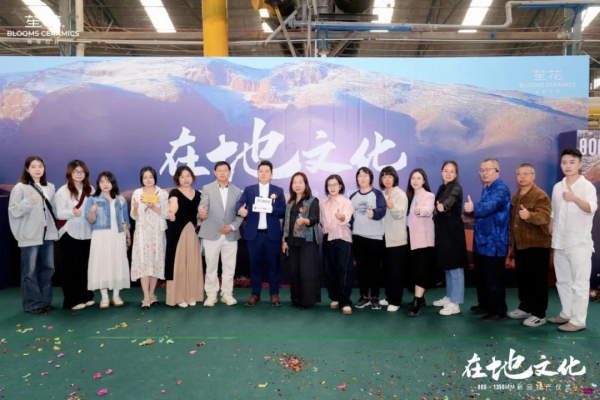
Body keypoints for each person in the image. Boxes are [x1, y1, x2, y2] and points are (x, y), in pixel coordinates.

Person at [549, 149, 598, 332]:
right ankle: (566, 313)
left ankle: (578, 321)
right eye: (564, 162)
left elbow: (591, 208)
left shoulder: (587, 187)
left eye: (571, 162)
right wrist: (551, 227)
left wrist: (575, 198)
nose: (567, 166)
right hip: (559, 241)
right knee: (563, 281)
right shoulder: (557, 187)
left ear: (579, 164)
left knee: (580, 283)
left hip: (578, 242)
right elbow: (554, 211)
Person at [8, 156, 59, 314]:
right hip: (29, 235)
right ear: (27, 169)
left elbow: (54, 210)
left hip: (47, 234)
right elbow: (14, 211)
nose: (37, 169)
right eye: (33, 166)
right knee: (29, 271)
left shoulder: (50, 187)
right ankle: (32, 304)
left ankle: (45, 301)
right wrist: (28, 202)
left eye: (40, 166)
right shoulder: (20, 188)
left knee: (48, 269)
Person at [464, 158, 511, 322]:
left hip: (494, 243)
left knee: (493, 278)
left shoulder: (501, 189)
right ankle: (484, 304)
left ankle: (498, 311)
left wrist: (474, 207)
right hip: (482, 241)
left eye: (488, 169)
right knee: (482, 276)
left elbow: (490, 206)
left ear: (497, 171)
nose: (484, 173)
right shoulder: (487, 187)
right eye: (482, 170)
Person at [235, 160, 286, 307]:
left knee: (273, 266)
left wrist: (272, 209)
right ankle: (255, 294)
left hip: (272, 236)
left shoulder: (278, 190)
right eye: (261, 171)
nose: (263, 174)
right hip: (254, 236)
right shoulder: (249, 190)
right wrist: (240, 210)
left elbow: (284, 210)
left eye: (266, 171)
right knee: (255, 266)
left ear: (271, 174)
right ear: (257, 173)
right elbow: (239, 204)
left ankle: (274, 294)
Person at [507, 163, 552, 327]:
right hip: (520, 245)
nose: (522, 177)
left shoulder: (541, 196)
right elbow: (513, 222)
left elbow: (545, 218)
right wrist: (511, 244)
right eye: (519, 174)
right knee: (523, 279)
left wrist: (529, 215)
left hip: (537, 246)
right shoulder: (516, 196)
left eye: (526, 173)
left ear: (533, 176)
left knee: (538, 281)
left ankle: (539, 314)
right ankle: (525, 307)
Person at [199, 161, 243, 307]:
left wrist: (232, 226)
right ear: (214, 172)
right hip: (211, 232)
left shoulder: (237, 191)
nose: (222, 173)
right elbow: (202, 205)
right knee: (211, 266)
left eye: (225, 170)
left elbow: (240, 213)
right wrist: (201, 212)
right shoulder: (207, 188)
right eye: (219, 170)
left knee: (229, 266)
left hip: (230, 234)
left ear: (229, 172)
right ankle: (211, 294)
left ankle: (227, 293)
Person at [84, 171, 131, 309]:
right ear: (98, 184)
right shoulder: (92, 199)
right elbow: (90, 220)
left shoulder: (121, 200)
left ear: (113, 183)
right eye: (102, 182)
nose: (105, 184)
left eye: (108, 181)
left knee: (117, 263)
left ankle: (116, 296)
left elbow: (125, 220)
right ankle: (104, 297)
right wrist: (92, 211)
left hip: (118, 235)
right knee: (102, 264)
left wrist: (127, 234)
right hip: (100, 236)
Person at [55, 160, 95, 310]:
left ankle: (87, 296)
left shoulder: (90, 189)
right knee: (70, 268)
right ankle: (71, 300)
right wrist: (72, 212)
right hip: (69, 233)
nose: (79, 174)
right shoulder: (63, 191)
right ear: (69, 173)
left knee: (85, 266)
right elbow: (59, 213)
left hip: (87, 232)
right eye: (76, 172)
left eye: (82, 171)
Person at [165, 166, 204, 308]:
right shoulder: (174, 192)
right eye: (182, 176)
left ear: (192, 177)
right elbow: (173, 204)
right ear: (177, 179)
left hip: (192, 232)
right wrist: (171, 212)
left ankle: (192, 295)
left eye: (188, 176)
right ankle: (178, 297)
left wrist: (202, 215)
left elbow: (200, 213)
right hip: (177, 233)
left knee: (193, 263)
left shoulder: (199, 194)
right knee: (178, 264)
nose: (186, 179)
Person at [432, 161, 468, 316]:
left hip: (453, 231)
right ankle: (449, 297)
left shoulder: (456, 187)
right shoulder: (442, 187)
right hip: (443, 230)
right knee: (447, 265)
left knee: (455, 266)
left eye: (452, 171)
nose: (448, 174)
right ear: (441, 172)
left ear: (456, 174)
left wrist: (443, 206)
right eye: (445, 171)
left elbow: (452, 199)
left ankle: (456, 303)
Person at [130, 166, 168, 310]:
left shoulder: (162, 193)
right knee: (144, 264)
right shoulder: (137, 193)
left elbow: (166, 214)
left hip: (157, 233)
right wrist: (135, 208)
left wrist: (153, 207)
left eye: (150, 177)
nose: (148, 180)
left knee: (155, 262)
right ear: (142, 179)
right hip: (142, 233)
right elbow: (134, 216)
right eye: (145, 177)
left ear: (155, 178)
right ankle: (146, 297)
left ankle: (152, 294)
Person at [282, 172, 321, 309]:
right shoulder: (290, 203)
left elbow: (315, 218)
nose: (297, 185)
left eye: (300, 182)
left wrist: (305, 221)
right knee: (294, 272)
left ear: (305, 184)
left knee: (307, 273)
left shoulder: (312, 201)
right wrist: (284, 241)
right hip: (292, 242)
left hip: (307, 242)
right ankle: (296, 299)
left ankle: (307, 301)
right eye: (294, 182)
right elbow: (286, 223)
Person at [350, 167, 386, 310]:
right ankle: (364, 296)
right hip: (358, 237)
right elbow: (350, 217)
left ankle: (375, 297)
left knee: (375, 269)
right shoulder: (353, 197)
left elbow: (382, 209)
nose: (362, 178)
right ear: (357, 179)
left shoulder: (377, 194)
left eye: (365, 175)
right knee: (362, 268)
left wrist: (374, 214)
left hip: (375, 237)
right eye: (360, 176)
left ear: (370, 178)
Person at [320, 175, 354, 315]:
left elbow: (347, 217)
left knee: (343, 270)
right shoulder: (323, 203)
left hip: (342, 237)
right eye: (329, 185)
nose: (332, 187)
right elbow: (322, 221)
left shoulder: (346, 202)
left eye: (335, 184)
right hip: (328, 237)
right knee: (329, 270)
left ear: (340, 186)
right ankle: (334, 297)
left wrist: (341, 217)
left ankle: (345, 301)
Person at [405, 168, 435, 317]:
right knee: (414, 270)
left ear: (424, 181)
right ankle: (420, 298)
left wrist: (419, 211)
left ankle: (417, 302)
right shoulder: (408, 197)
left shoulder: (429, 195)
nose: (415, 181)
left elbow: (428, 210)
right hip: (410, 240)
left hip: (424, 240)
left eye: (418, 178)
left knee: (421, 271)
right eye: (413, 178)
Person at [379, 166, 408, 312]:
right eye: (384, 176)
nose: (387, 179)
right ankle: (389, 297)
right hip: (383, 238)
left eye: (390, 176)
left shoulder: (400, 195)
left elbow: (400, 214)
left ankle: (396, 301)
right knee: (387, 271)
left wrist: (392, 206)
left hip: (397, 239)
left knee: (396, 272)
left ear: (394, 178)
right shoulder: (381, 194)